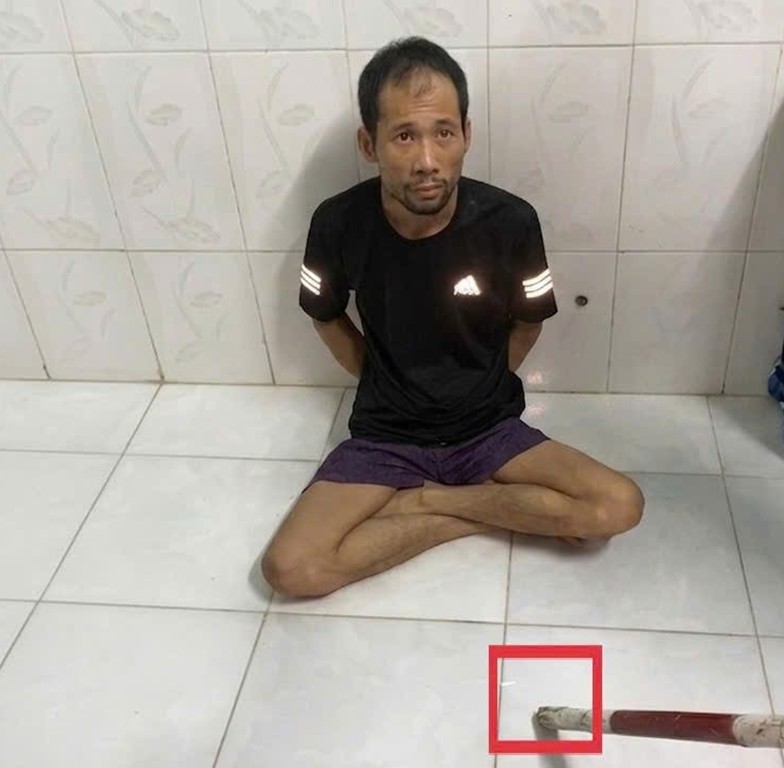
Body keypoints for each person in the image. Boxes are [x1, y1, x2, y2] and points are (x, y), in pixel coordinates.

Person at [261, 37, 644, 598]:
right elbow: (324, 316)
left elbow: (529, 322)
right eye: (404, 136)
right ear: (369, 144)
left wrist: (480, 387)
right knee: (291, 569)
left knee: (618, 505)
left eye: (443, 132)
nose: (427, 160)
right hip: (386, 434)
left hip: (488, 429)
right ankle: (485, 511)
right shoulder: (336, 223)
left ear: (466, 133)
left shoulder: (512, 221)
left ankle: (429, 502)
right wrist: (381, 380)